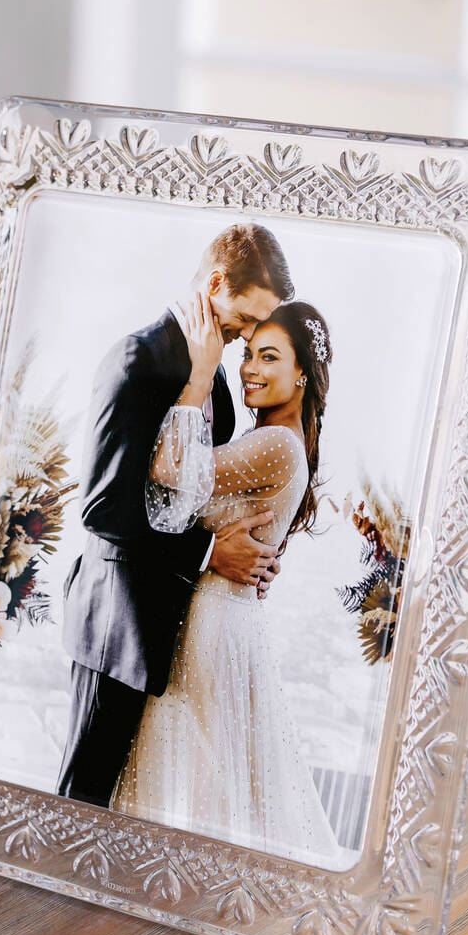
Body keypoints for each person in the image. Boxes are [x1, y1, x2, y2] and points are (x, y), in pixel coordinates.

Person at [57, 224, 294, 808]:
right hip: (118, 624)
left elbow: (197, 491)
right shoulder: (138, 358)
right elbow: (103, 508)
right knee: (85, 798)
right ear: (215, 284)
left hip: (175, 627)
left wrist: (250, 548)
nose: (246, 336)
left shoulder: (215, 374)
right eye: (244, 318)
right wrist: (212, 553)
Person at [112, 296, 342, 863]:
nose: (249, 369)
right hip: (224, 618)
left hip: (213, 626)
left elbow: (170, 470)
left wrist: (197, 378)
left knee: (198, 767)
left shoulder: (276, 444)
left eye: (269, 357)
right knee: (210, 766)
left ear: (303, 374)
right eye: (248, 354)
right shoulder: (277, 442)